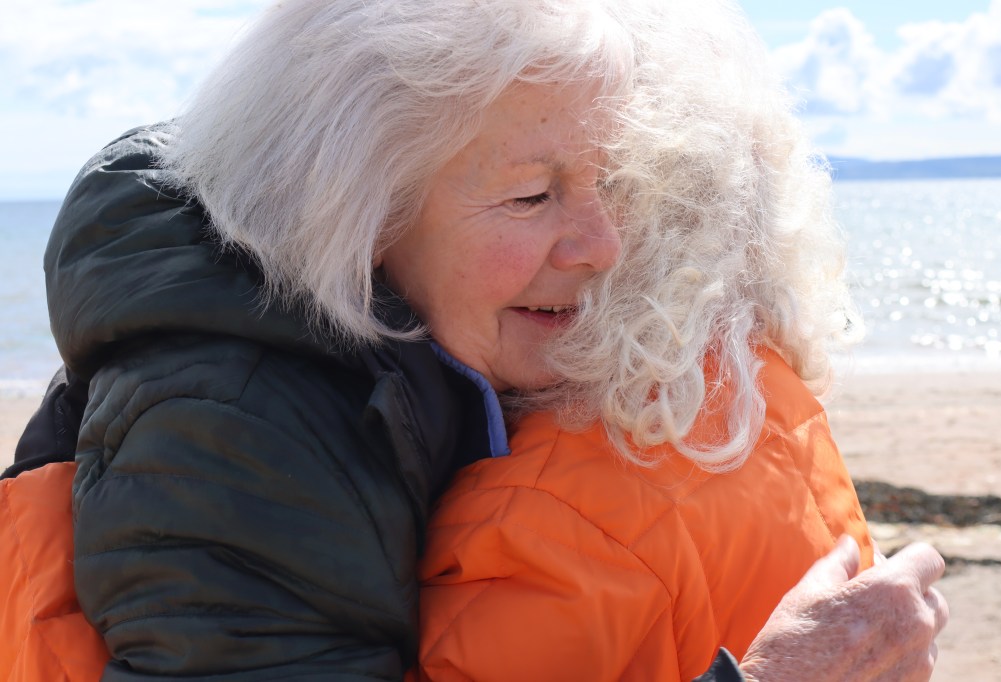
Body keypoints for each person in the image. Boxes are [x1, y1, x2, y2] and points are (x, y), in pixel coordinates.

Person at [1, 1, 947, 681]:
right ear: (358, 208)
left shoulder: (401, 358)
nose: (603, 245)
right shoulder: (235, 431)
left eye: (615, 183)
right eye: (533, 196)